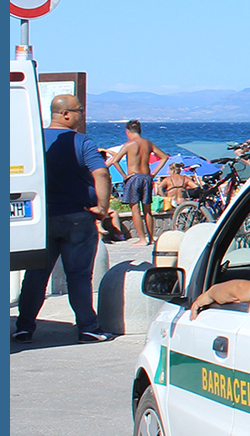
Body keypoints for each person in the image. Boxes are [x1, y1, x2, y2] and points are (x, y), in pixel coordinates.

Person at [12, 95, 113, 344]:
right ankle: (88, 328)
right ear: (66, 114)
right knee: (78, 275)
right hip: (77, 216)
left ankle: (24, 328)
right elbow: (101, 172)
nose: (82, 115)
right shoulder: (81, 142)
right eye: (80, 110)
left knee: (35, 276)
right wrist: (102, 207)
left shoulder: (35, 141)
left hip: (41, 218)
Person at [105, 119, 168, 245]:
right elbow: (164, 157)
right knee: (147, 210)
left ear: (128, 131)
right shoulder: (148, 143)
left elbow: (115, 160)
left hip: (133, 178)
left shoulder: (128, 145)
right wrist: (154, 173)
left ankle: (142, 239)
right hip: (146, 177)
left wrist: (124, 175)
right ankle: (151, 238)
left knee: (135, 210)